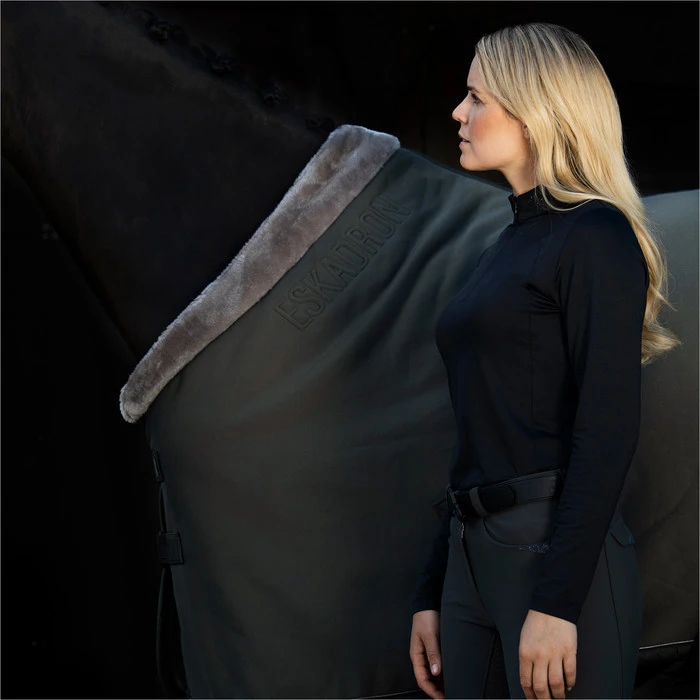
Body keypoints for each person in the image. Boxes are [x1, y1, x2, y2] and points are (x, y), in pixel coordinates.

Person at [408, 22, 680, 700]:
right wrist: (433, 589)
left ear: (536, 111)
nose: (458, 113)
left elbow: (607, 429)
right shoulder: (504, 247)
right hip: (471, 555)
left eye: (477, 98)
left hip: (556, 558)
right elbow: (478, 434)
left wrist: (558, 604)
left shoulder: (595, 233)